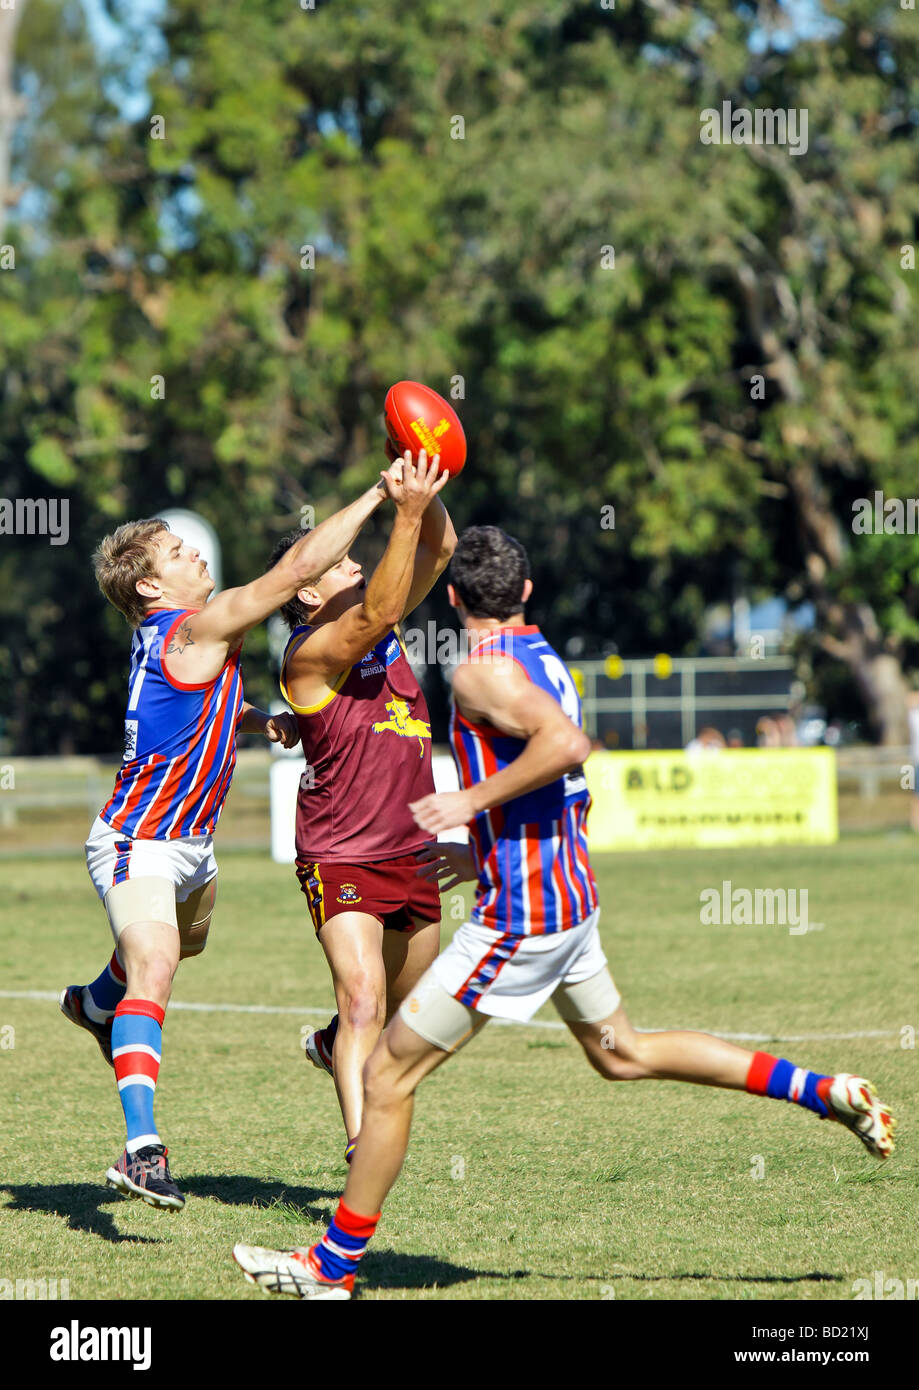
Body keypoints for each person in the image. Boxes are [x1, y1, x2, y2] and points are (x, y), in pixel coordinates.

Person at [233, 525, 896, 1298]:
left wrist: (467, 801)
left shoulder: (480, 672)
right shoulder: (540, 657)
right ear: (525, 593)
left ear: (451, 599)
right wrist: (476, 849)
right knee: (623, 1053)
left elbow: (565, 746)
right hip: (566, 899)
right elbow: (556, 779)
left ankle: (330, 1267)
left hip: (519, 920)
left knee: (383, 1077)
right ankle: (820, 1091)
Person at [60, 466, 401, 1210]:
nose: (197, 555)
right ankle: (143, 1150)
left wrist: (253, 721)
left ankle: (95, 1004)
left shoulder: (177, 639)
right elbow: (295, 572)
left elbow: (188, 706)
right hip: (136, 841)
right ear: (151, 588)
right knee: (155, 968)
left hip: (192, 852)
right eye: (179, 552)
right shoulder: (194, 629)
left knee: (171, 952)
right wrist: (382, 494)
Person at [271, 449, 454, 1163]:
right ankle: (360, 1144)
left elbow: (440, 547)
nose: (350, 558)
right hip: (340, 853)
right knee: (363, 1005)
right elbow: (378, 607)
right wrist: (398, 507)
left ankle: (329, 1047)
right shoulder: (309, 655)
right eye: (335, 559)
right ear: (308, 596)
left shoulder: (382, 623)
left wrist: (425, 474)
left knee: (409, 1016)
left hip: (412, 856)